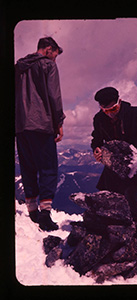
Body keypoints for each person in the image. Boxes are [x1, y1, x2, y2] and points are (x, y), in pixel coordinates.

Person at [15, 37, 66, 231]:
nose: (55, 60)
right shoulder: (47, 66)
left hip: (21, 126)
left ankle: (32, 210)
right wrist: (58, 122)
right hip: (41, 124)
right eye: (55, 55)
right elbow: (54, 96)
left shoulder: (19, 67)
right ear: (48, 50)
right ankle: (45, 215)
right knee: (48, 167)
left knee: (28, 167)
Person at [91, 87, 137, 233]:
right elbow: (96, 138)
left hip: (136, 163)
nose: (110, 113)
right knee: (109, 197)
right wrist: (96, 148)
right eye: (105, 110)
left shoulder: (134, 114)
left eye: (113, 108)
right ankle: (112, 229)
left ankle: (136, 230)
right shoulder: (99, 119)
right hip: (113, 164)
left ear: (119, 101)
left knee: (131, 199)